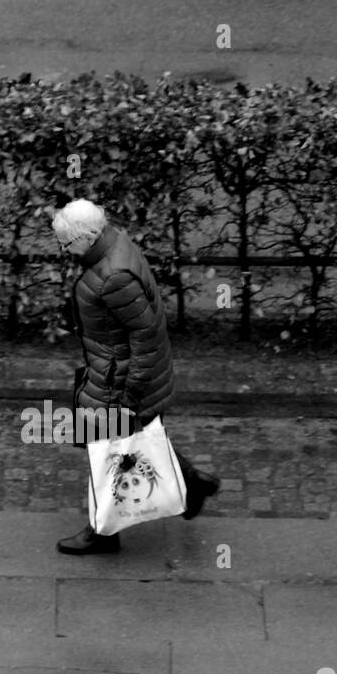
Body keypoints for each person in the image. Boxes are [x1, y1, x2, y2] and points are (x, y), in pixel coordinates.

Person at [52, 198, 220, 555]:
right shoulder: (111, 242)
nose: (64, 251)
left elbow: (144, 336)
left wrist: (130, 399)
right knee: (136, 440)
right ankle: (191, 482)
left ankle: (102, 533)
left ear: (86, 235)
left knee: (106, 453)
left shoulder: (113, 276)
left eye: (66, 243)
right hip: (116, 370)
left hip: (120, 380)